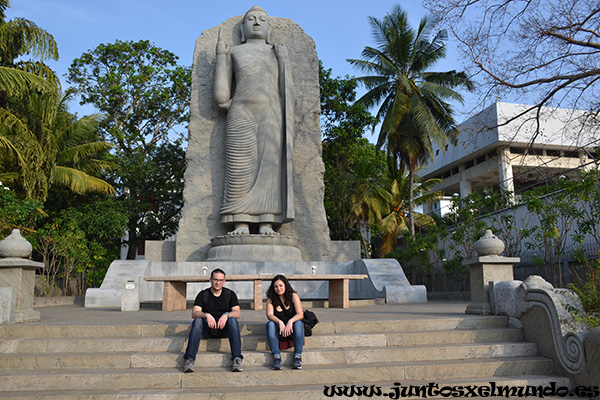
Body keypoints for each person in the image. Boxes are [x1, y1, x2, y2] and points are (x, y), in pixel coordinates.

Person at [214, 6, 296, 236]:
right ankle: (239, 220)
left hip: (271, 112)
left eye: (262, 19)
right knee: (239, 168)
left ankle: (266, 222)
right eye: (251, 19)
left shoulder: (277, 53)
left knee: (269, 169)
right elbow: (221, 98)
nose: (257, 22)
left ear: (269, 28)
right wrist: (221, 56)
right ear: (242, 28)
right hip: (241, 111)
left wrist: (284, 60)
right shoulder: (235, 53)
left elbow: (288, 92)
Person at [183, 268, 243, 372]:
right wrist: (206, 315)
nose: (218, 282)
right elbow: (194, 313)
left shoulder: (230, 294)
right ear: (210, 279)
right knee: (197, 321)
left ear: (224, 281)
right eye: (215, 279)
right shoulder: (203, 294)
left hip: (224, 329)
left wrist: (226, 315)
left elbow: (237, 313)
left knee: (233, 320)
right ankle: (189, 359)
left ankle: (237, 358)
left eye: (220, 280)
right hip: (208, 328)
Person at [265, 274, 305, 370]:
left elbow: (300, 314)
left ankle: (297, 356)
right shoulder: (270, 299)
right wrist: (280, 322)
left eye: (280, 285)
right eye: (276, 286)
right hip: (280, 330)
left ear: (285, 285)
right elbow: (269, 315)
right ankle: (276, 357)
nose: (278, 288)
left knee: (299, 323)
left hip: (292, 329)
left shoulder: (293, 296)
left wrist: (290, 321)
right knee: (270, 324)